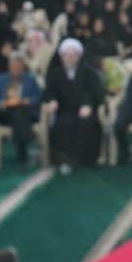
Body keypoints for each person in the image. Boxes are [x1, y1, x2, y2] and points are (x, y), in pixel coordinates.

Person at [43, 38, 104, 175]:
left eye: (73, 55)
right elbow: (49, 92)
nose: (70, 58)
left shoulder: (89, 72)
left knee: (86, 124)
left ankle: (84, 159)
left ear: (79, 56)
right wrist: (52, 101)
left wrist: (88, 106)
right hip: (63, 110)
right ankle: (64, 161)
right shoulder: (54, 73)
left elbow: (97, 93)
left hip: (85, 110)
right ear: (62, 56)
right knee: (63, 125)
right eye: (67, 55)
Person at [0, 53, 41, 167]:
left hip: (26, 113)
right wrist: (0, 104)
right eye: (14, 66)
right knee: (18, 115)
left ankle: (22, 157)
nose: (16, 69)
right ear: (9, 67)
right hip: (6, 114)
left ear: (23, 67)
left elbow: (39, 97)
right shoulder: (0, 79)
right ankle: (28, 144)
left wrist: (29, 101)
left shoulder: (30, 79)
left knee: (20, 112)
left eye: (19, 66)